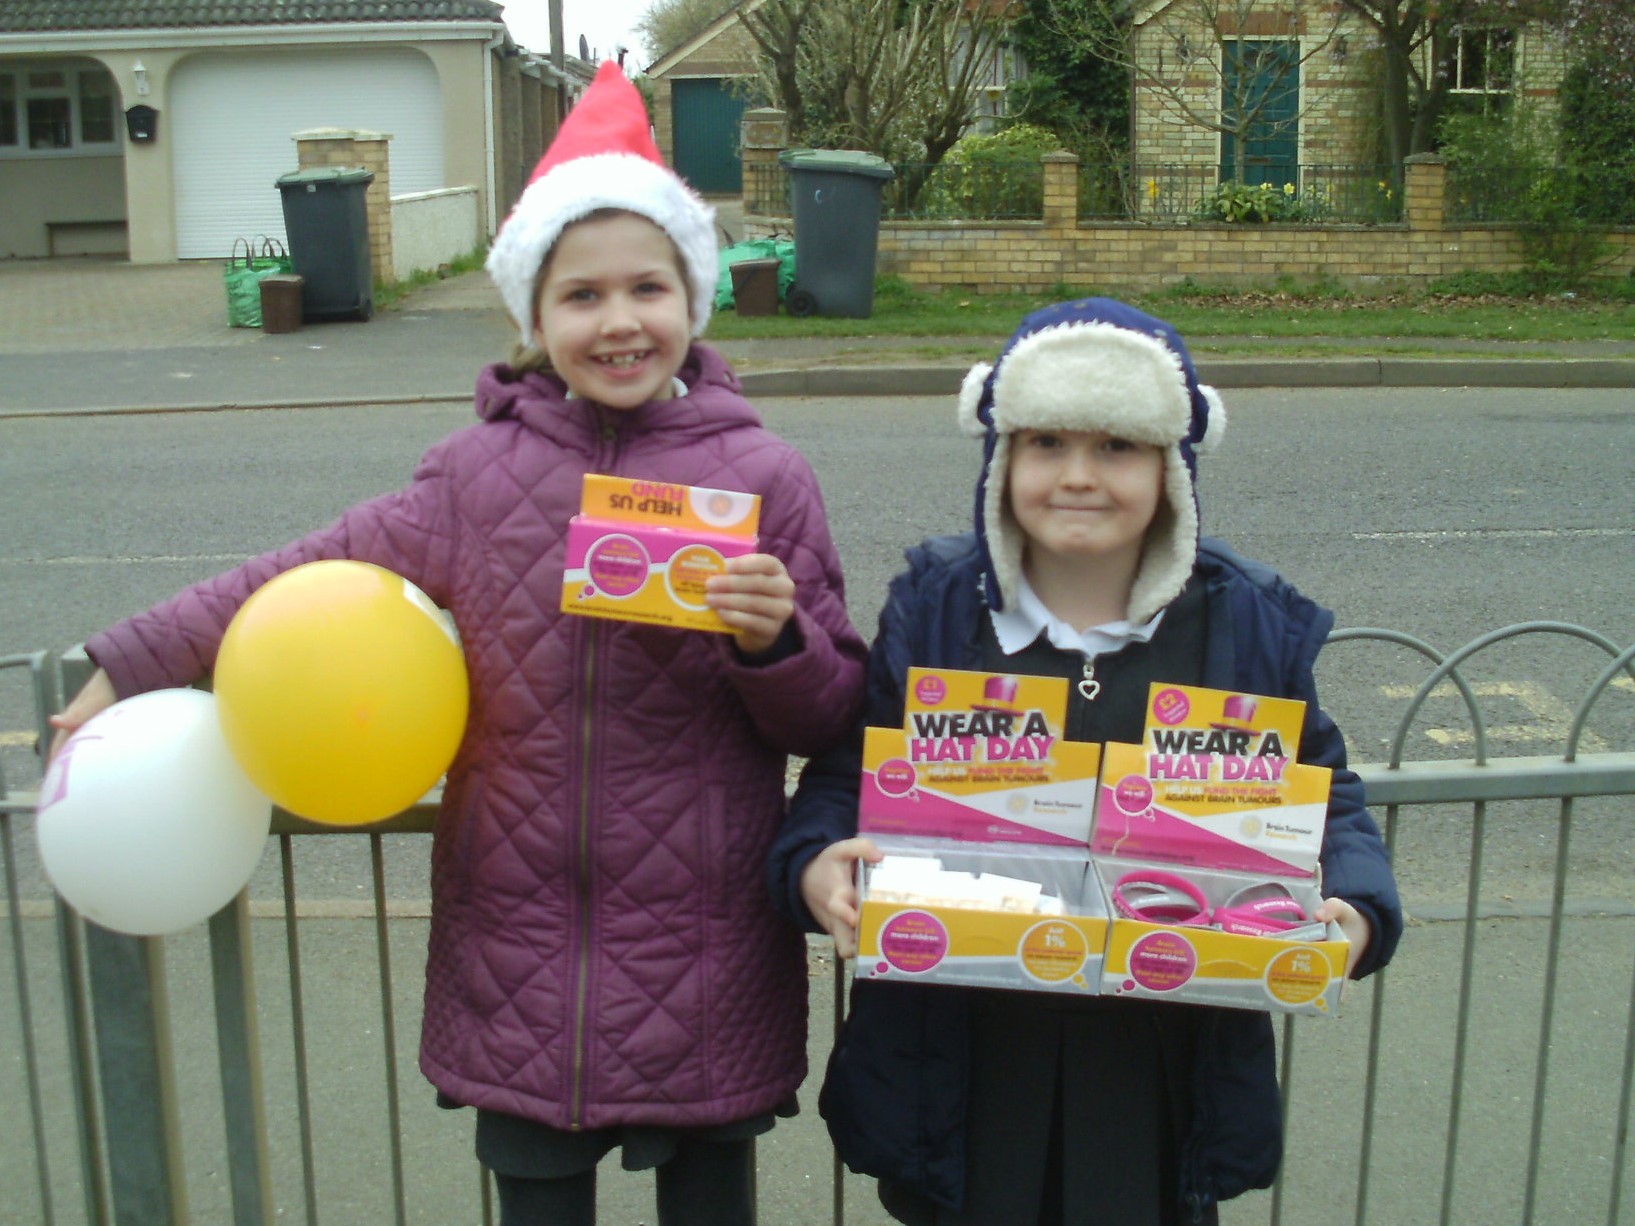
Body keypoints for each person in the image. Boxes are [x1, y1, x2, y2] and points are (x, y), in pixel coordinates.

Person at [51, 62, 868, 1226]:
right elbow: (301, 569)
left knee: (709, 1202)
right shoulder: (475, 475)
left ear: (694, 298)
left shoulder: (766, 478)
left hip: (705, 940)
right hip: (516, 942)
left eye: (650, 286)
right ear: (533, 317)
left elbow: (831, 712)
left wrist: (772, 638)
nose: (620, 319)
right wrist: (133, 656)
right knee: (533, 1197)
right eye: (581, 295)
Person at [768, 298, 1403, 1226]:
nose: (1077, 476)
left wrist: (1358, 909)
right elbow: (848, 773)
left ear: (1172, 465)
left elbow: (1321, 789)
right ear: (1001, 458)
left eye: (1116, 447)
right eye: (1046, 443)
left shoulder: (1245, 624)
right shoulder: (937, 610)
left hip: (1162, 1061)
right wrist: (816, 863)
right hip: (964, 1053)